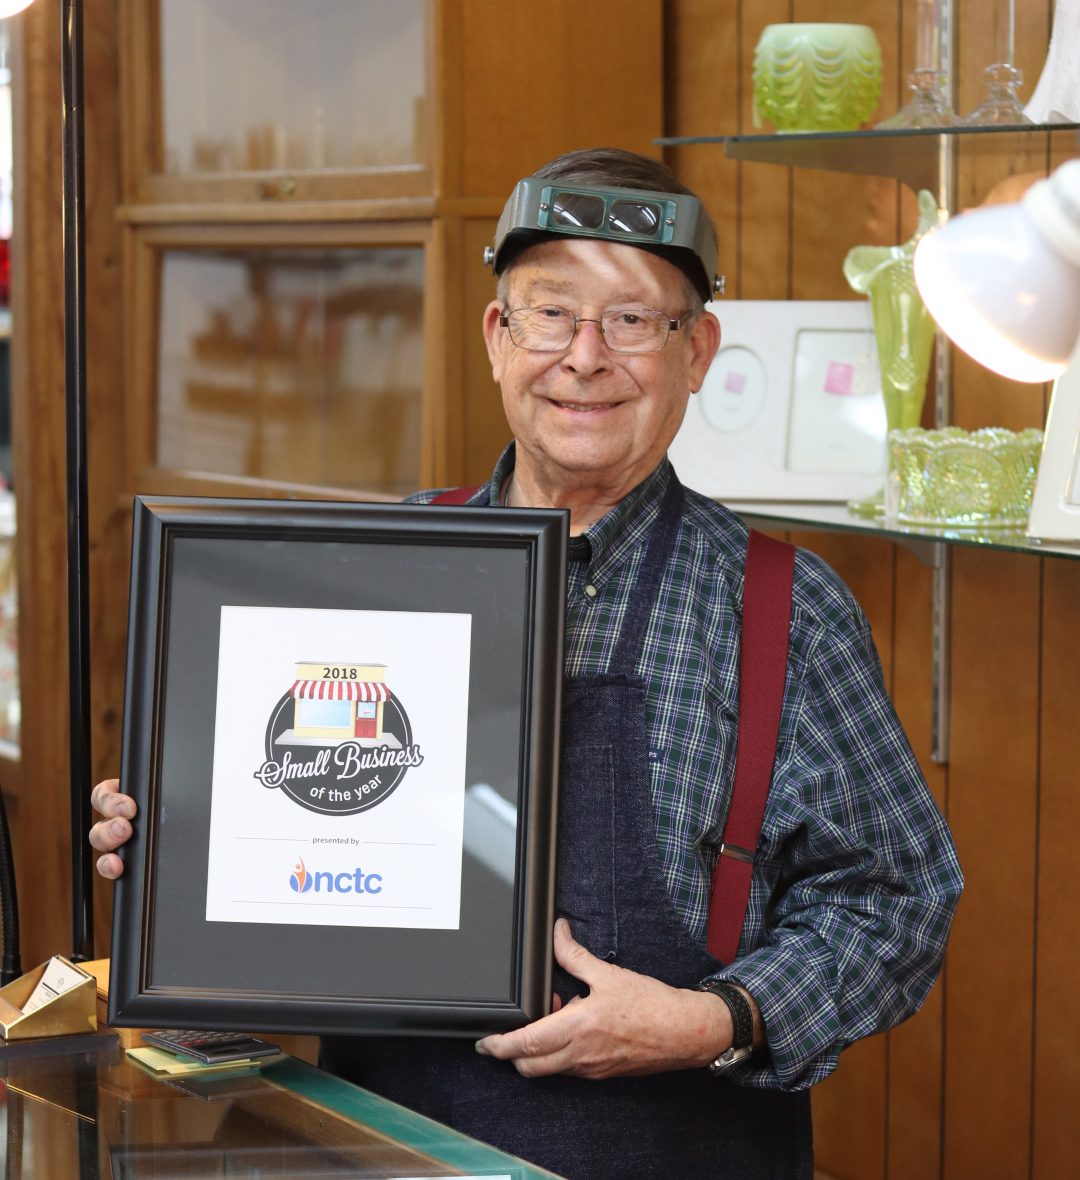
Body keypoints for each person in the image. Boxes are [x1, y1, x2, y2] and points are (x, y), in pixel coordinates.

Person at [91, 148, 962, 1179]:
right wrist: (178, 832)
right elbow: (293, 807)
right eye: (550, 312)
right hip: (379, 1148)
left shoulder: (785, 607)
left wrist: (710, 1018)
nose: (585, 356)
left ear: (698, 351)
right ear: (499, 336)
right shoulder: (366, 570)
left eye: (634, 319)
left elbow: (901, 899)